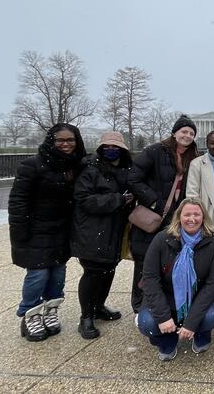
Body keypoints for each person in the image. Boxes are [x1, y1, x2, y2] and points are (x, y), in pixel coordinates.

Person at [9, 123, 86, 341]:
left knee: (58, 273)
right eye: (60, 140)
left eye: (70, 140)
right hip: (37, 229)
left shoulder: (77, 165)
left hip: (63, 229)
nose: (65, 144)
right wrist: (19, 232)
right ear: (51, 141)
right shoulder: (32, 165)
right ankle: (30, 314)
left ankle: (51, 309)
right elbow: (18, 201)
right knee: (38, 273)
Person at [128, 115, 199, 319]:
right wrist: (154, 201)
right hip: (152, 215)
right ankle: (140, 306)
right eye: (184, 131)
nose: (187, 136)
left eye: (191, 133)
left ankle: (166, 301)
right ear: (175, 133)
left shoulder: (193, 157)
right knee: (145, 261)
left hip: (175, 218)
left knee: (169, 260)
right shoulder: (154, 151)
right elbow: (133, 178)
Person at [138, 198, 214, 361]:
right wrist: (163, 317)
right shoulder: (162, 239)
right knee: (147, 323)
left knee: (211, 316)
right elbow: (150, 279)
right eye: (187, 215)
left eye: (196, 214)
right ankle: (168, 336)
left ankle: (201, 332)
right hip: (167, 296)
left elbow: (212, 284)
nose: (192, 219)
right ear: (179, 217)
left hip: (199, 296)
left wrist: (191, 323)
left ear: (203, 217)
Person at [71, 131, 134, 340]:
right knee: (92, 272)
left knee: (108, 269)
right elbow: (84, 200)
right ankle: (86, 317)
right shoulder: (90, 169)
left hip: (115, 228)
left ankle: (98, 306)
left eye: (115, 147)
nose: (111, 149)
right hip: (93, 229)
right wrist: (118, 200)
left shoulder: (126, 169)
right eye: (107, 146)